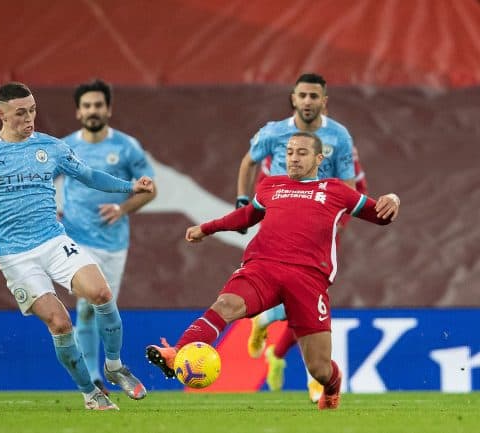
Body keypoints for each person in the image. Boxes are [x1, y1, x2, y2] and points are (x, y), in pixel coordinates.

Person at [146, 132, 400, 410]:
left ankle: (331, 386)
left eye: (301, 152)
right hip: (262, 266)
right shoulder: (271, 185)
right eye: (289, 152)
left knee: (319, 369)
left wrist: (393, 199)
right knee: (225, 304)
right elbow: (246, 216)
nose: (293, 157)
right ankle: (177, 353)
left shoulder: (337, 190)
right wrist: (207, 228)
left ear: (318, 158)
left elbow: (380, 216)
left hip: (308, 279)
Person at [0, 82, 152, 411]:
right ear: (0, 114)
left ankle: (114, 366)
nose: (29, 118)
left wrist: (130, 185)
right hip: (16, 256)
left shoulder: (51, 148)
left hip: (55, 241)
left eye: (33, 110)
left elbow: (90, 176)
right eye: (20, 113)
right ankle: (90, 393)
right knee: (60, 322)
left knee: (101, 294)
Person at [235, 73, 357, 401]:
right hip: (279, 221)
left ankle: (267, 325)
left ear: (324, 101)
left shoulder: (339, 136)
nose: (307, 102)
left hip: (319, 225)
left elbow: (348, 183)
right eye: (302, 95)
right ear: (293, 98)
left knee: (305, 299)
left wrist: (342, 215)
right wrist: (244, 202)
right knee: (297, 295)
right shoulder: (274, 132)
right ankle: (316, 380)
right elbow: (249, 162)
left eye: (313, 96)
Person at [60, 79, 157, 395]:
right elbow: (41, 181)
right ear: (77, 112)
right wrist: (52, 209)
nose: (92, 110)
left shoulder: (126, 147)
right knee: (86, 305)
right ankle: (94, 378)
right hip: (76, 239)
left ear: (108, 109)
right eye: (86, 105)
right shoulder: (64, 147)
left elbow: (150, 189)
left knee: (104, 306)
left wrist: (123, 207)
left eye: (98, 105)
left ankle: (110, 365)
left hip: (113, 243)